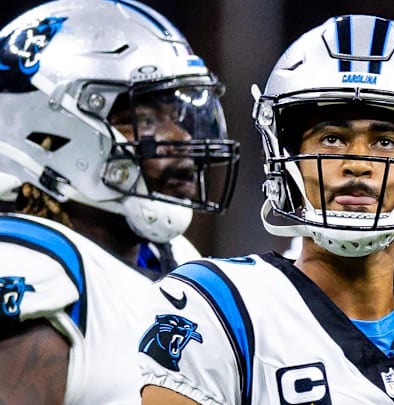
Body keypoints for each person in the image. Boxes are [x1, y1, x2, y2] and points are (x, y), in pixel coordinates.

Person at [138, 14, 394, 405]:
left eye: (385, 142)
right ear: (287, 156)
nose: (358, 162)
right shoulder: (217, 306)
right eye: (332, 138)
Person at [0, 0, 239, 403]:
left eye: (177, 114)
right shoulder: (33, 266)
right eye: (145, 119)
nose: (180, 137)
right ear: (48, 129)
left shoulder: (175, 257)